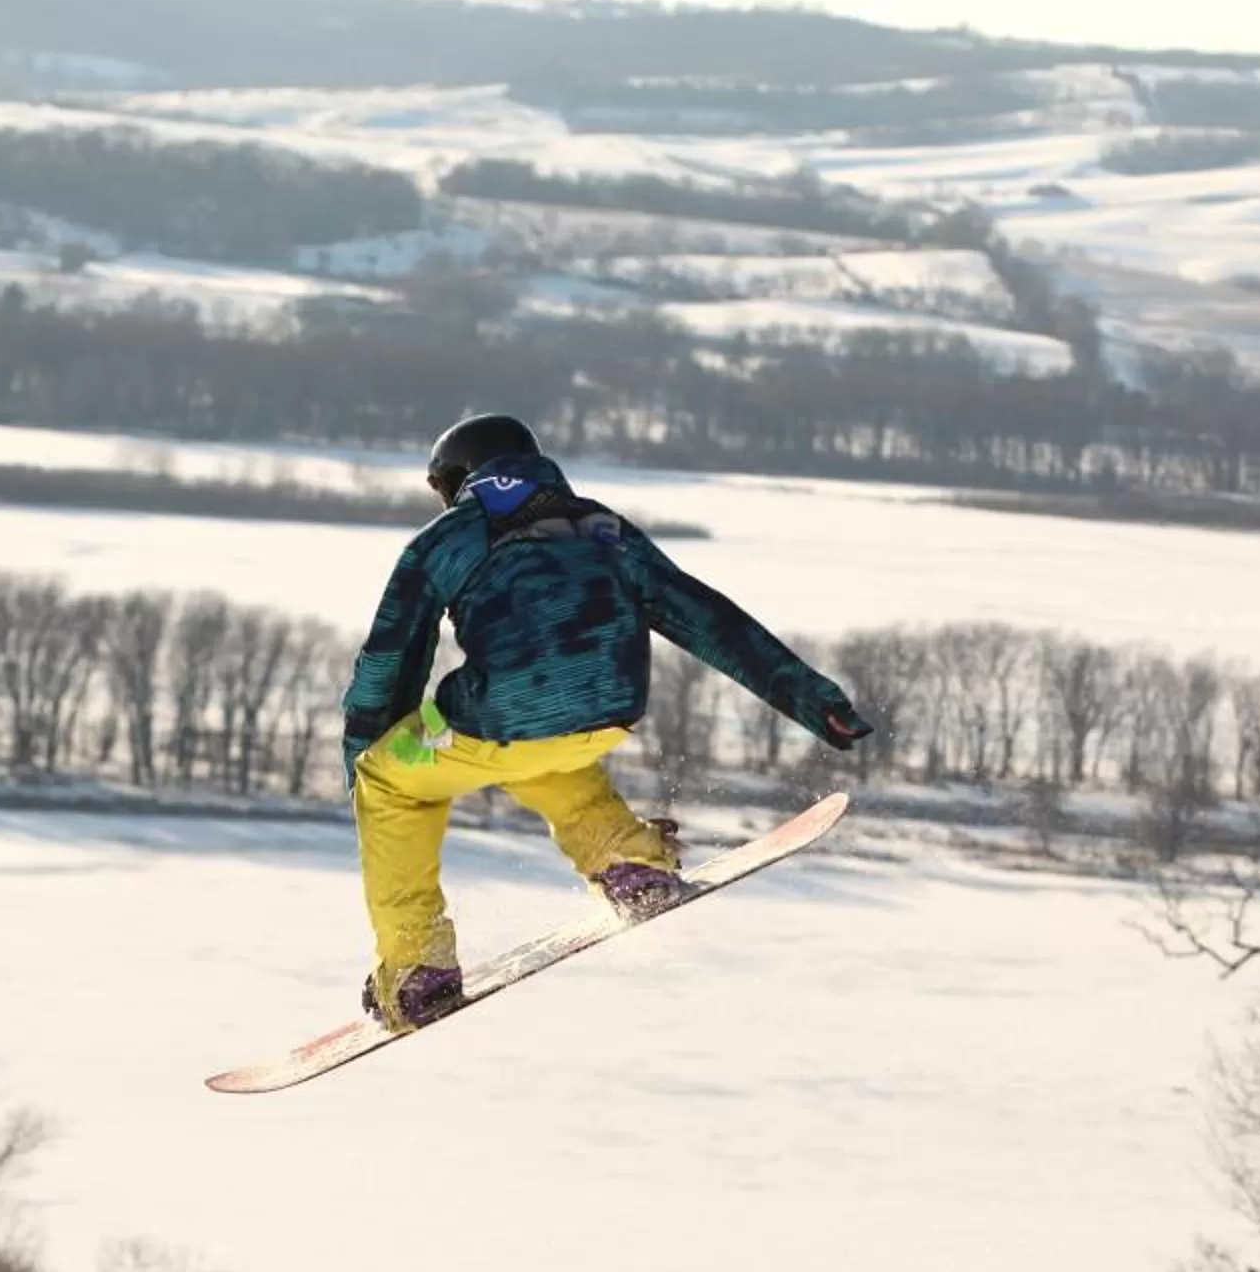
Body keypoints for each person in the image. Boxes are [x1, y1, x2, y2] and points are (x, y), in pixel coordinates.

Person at [343, 414, 872, 1027]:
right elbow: (705, 618)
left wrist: (363, 752)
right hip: (612, 712)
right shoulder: (603, 527)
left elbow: (389, 659)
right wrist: (812, 699)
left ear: (458, 477)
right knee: (535, 752)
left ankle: (415, 971)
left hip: (497, 716)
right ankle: (630, 864)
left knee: (391, 780)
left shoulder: (446, 539)